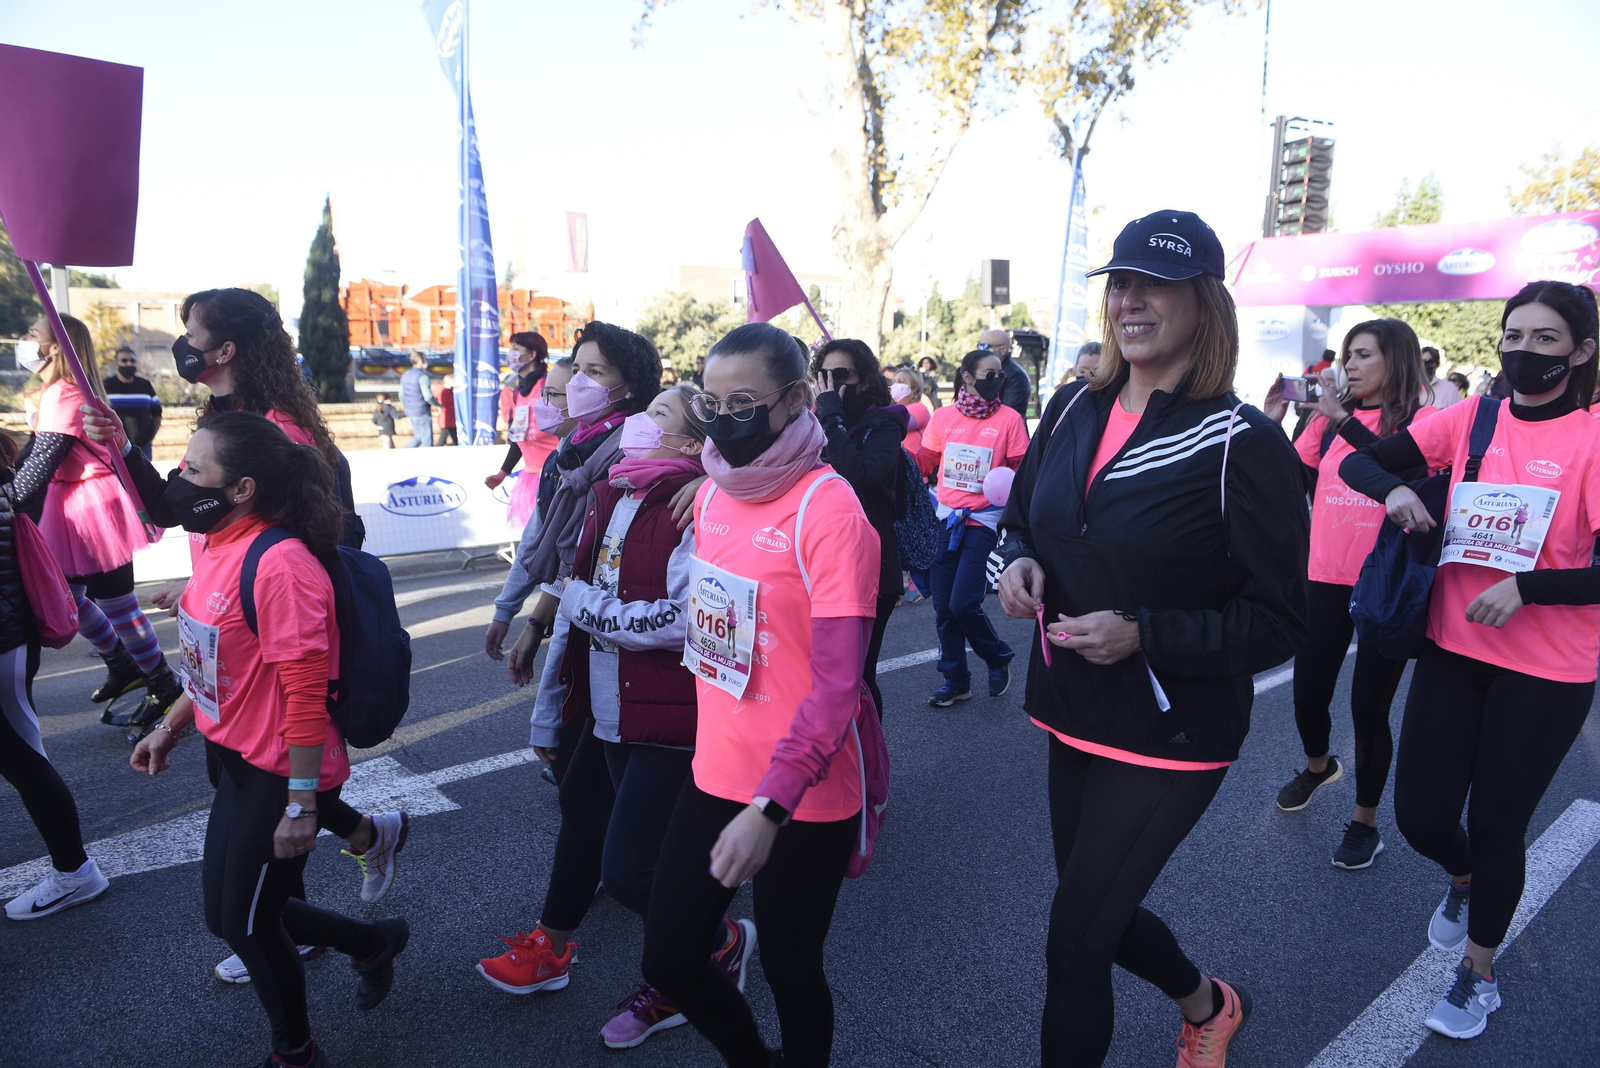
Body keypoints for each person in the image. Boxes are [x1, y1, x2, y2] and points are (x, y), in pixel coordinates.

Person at [994, 209, 1309, 1068]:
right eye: (1120, 284)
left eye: (1155, 285)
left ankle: (1206, 1006)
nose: (1131, 301)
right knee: (1094, 907)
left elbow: (1282, 619)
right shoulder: (1068, 408)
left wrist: (1146, 633)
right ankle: (1209, 1003)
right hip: (1069, 704)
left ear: (1203, 303)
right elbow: (1024, 521)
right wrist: (1016, 565)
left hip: (1172, 731)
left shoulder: (1242, 444)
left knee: (1074, 943)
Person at [1339, 280, 1600, 1041]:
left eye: (1546, 339)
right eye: (1514, 335)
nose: (1525, 351)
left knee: (1496, 822)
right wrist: (1393, 492)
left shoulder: (1591, 438)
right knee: (1421, 815)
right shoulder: (1472, 417)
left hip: (1548, 668)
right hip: (1454, 646)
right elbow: (1364, 466)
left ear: (1581, 352)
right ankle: (1463, 881)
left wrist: (1529, 587)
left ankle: (1478, 974)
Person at [128, 412, 409, 1068]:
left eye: (194, 470)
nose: (178, 480)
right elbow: (213, 667)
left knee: (250, 925)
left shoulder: (280, 565)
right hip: (235, 759)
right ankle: (372, 943)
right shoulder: (221, 544)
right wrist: (170, 728)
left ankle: (295, 1053)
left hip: (284, 770)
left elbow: (306, 700)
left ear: (243, 488)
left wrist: (303, 804)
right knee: (227, 917)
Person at [476, 386, 751, 1050]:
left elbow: (687, 621)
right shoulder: (613, 493)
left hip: (670, 717)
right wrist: (552, 701)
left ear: (691, 447)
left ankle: (710, 947)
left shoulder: (694, 507)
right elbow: (573, 591)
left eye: (655, 416)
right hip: (606, 710)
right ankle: (691, 954)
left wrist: (585, 608)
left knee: (629, 870)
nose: (634, 424)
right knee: (637, 851)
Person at [640, 322, 880, 1068]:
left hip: (803, 795)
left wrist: (769, 810)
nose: (725, 419)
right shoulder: (713, 492)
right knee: (669, 957)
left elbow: (839, 687)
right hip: (717, 772)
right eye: (710, 404)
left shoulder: (830, 512)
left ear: (796, 400)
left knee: (790, 967)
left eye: (744, 401)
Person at [1262, 318, 1436, 870]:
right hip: (1323, 577)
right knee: (1308, 694)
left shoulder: (1426, 420)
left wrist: (1341, 418)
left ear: (1397, 361)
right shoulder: (1328, 423)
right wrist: (1273, 424)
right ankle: (1318, 767)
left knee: (1368, 708)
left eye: (1363, 356)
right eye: (1350, 356)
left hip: (1385, 581)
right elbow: (1287, 477)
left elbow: (1401, 465)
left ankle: (1364, 822)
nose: (1350, 366)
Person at [11, 315, 182, 728]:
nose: (24, 339)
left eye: (33, 333)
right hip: (73, 504)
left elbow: (39, 462)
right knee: (70, 596)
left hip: (94, 507)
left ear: (54, 347)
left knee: (116, 604)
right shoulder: (60, 391)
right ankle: (123, 664)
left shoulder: (64, 395)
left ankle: (163, 683)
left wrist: (7, 501)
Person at [503, 322, 666, 684]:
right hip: (576, 613)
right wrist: (534, 621)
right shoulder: (573, 447)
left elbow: (590, 554)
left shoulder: (639, 449)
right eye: (577, 370)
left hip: (614, 629)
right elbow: (565, 555)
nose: (578, 383)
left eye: (596, 372)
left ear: (630, 386)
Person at [1, 429, 111, 921]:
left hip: (5, 641)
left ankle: (74, 872)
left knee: (24, 760)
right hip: (9, 638)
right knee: (21, 757)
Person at [917, 348, 1029, 707]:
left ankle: (997, 656)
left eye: (1000, 373)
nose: (999, 379)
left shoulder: (1010, 419)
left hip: (984, 521)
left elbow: (1022, 469)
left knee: (963, 602)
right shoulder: (944, 417)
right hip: (946, 519)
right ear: (967, 377)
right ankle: (956, 679)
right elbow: (926, 461)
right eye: (990, 374)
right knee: (943, 609)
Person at [812, 339, 907, 718]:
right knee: (825, 676)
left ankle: (869, 767)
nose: (833, 383)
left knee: (859, 678)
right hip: (822, 561)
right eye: (825, 376)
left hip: (870, 567)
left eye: (843, 375)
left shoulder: (885, 423)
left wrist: (832, 419)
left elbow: (857, 475)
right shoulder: (813, 422)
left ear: (865, 380)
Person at [485, 333, 560, 528]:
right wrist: (502, 473)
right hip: (531, 476)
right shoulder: (518, 391)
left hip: (555, 476)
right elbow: (519, 437)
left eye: (516, 349)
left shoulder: (548, 387)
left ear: (532, 354)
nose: (511, 354)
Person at [103, 345, 162, 460]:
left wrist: (150, 437)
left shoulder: (145, 385)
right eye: (124, 361)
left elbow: (157, 413)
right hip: (114, 446)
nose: (129, 364)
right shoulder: (106, 386)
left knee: (144, 478)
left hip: (142, 447)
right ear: (116, 364)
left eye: (132, 361)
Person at [979, 328, 1032, 418]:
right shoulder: (981, 370)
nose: (981, 350)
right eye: (979, 346)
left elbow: (1010, 413)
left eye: (986, 346)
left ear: (1003, 350)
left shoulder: (1016, 376)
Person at [400, 353, 439, 448]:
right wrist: (437, 405)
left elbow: (401, 395)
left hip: (410, 411)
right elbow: (428, 396)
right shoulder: (422, 376)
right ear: (420, 361)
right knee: (427, 440)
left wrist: (407, 407)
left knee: (418, 437)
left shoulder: (405, 375)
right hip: (422, 411)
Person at [436, 374, 458, 446]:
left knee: (445, 439)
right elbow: (453, 400)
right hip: (447, 420)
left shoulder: (450, 391)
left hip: (449, 420)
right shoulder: (445, 392)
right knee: (445, 440)